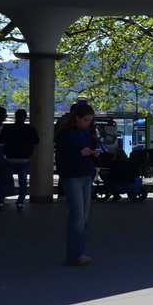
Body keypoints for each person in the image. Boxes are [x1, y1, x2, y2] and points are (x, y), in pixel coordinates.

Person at [55, 102, 99, 265]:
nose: (88, 123)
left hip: (85, 174)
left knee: (83, 216)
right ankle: (74, 253)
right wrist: (80, 153)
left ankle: (79, 251)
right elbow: (61, 157)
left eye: (90, 121)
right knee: (78, 215)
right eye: (86, 120)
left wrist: (90, 154)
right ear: (78, 118)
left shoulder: (83, 133)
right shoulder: (66, 134)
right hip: (73, 176)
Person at [0, 109, 37, 210]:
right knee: (23, 182)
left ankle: (0, 202)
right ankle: (20, 203)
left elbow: (0, 140)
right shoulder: (30, 129)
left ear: (15, 116)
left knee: (4, 180)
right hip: (24, 158)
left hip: (10, 158)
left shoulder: (7, 128)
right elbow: (36, 141)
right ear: (25, 117)